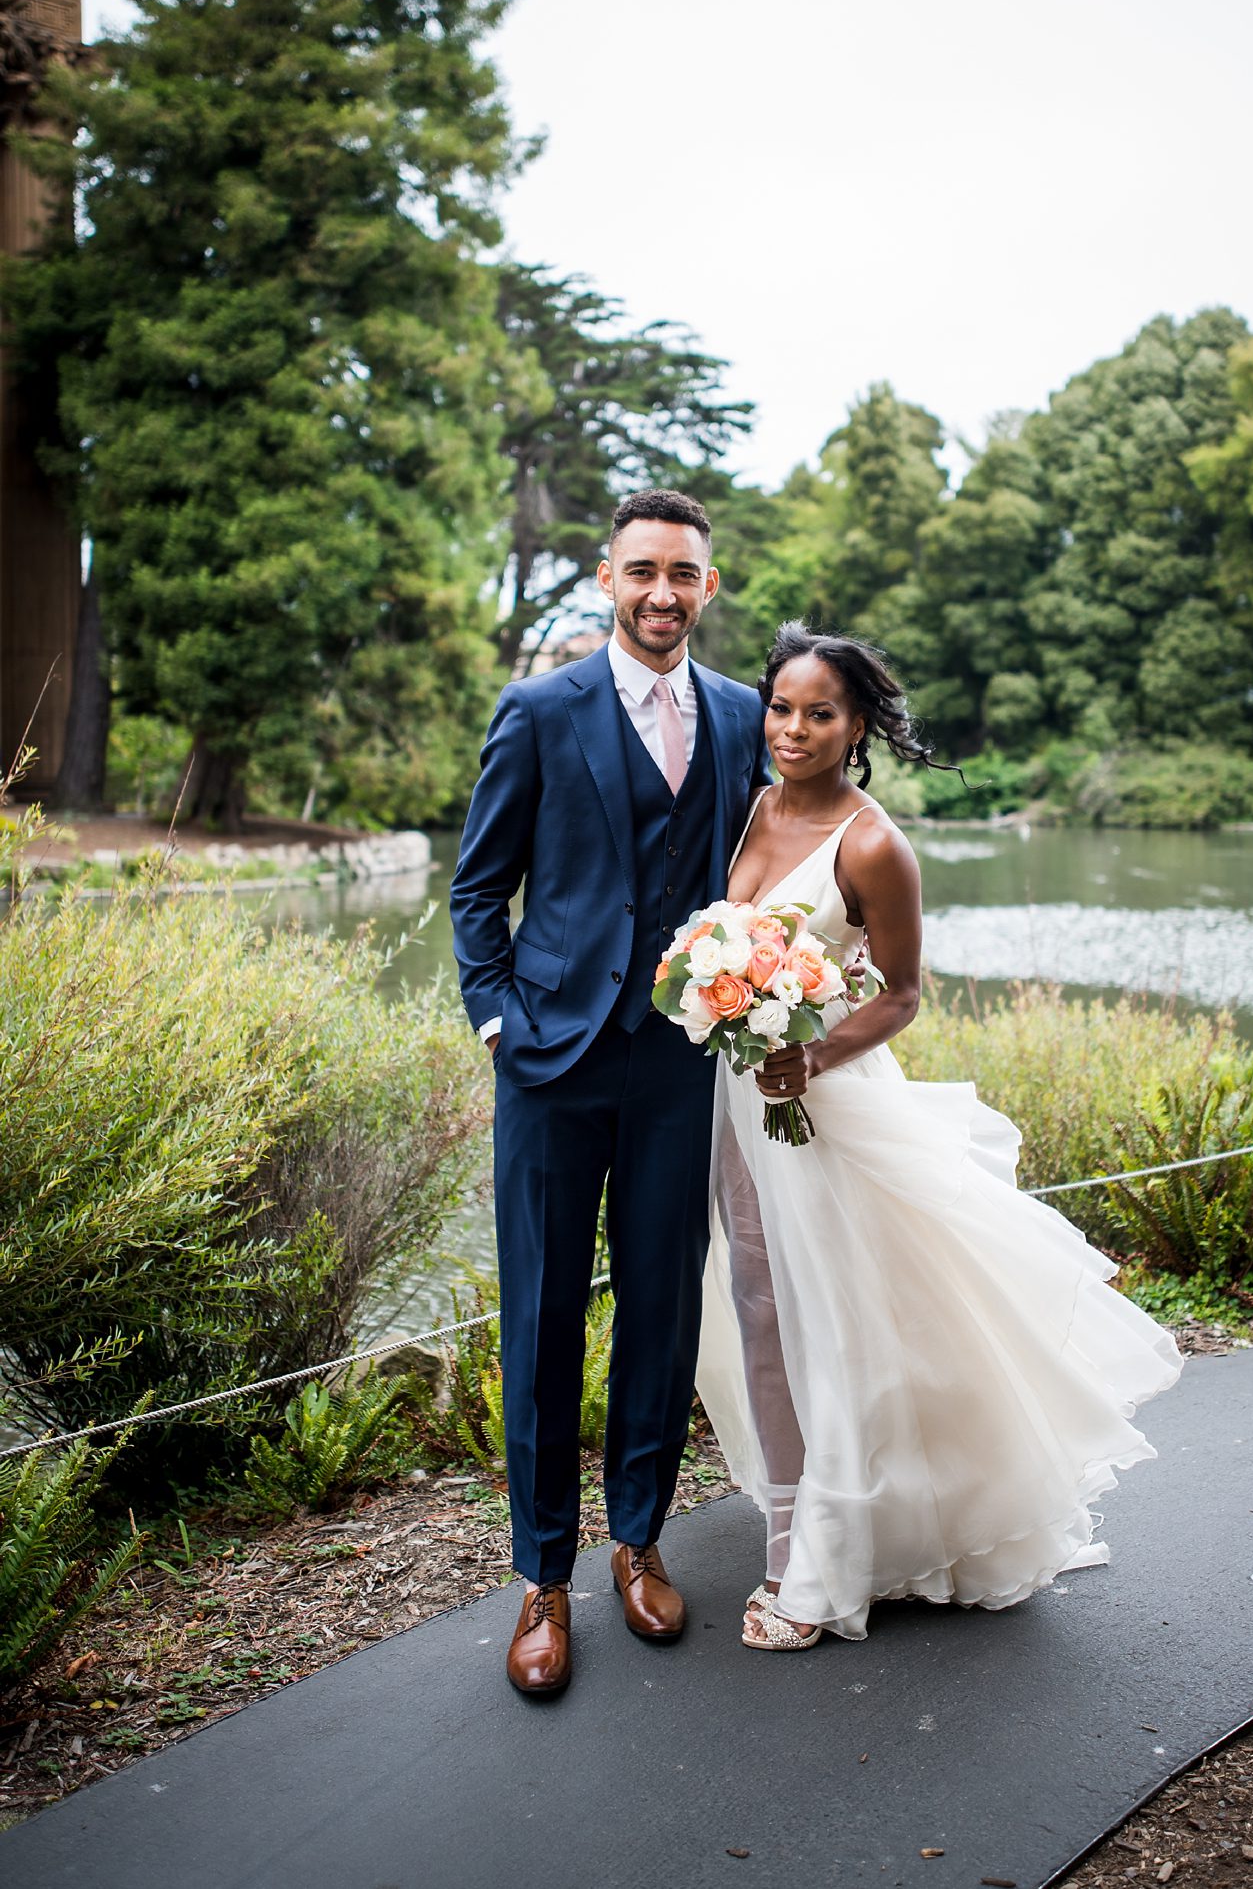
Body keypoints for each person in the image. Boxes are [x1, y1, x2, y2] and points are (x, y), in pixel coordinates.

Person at [694, 622, 1184, 1648]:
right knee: (757, 1304)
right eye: (780, 709)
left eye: (818, 713)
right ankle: (790, 1523)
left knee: (837, 1316)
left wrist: (812, 1057)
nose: (793, 728)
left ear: (856, 724)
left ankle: (821, 1566)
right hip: (741, 1099)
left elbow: (904, 994)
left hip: (827, 1102)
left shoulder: (871, 843)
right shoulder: (746, 812)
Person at [450, 490, 772, 1695]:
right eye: (641, 571)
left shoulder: (743, 716)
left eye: (681, 575)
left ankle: (637, 1542)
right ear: (605, 576)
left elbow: (768, 867)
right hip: (547, 1060)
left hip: (678, 1056)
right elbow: (478, 890)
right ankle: (542, 1577)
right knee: (538, 1314)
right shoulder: (539, 710)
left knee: (659, 1307)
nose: (660, 593)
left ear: (708, 584)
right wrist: (496, 1021)